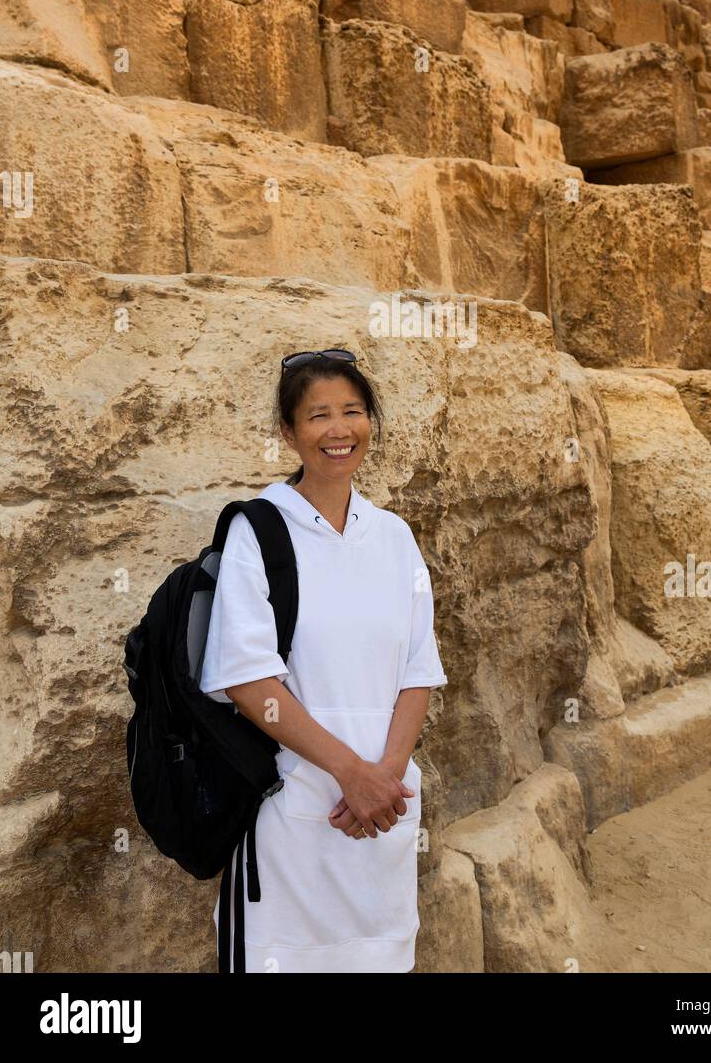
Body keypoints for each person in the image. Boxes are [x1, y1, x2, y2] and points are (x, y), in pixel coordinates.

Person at [199, 348, 448, 973]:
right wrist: (351, 775)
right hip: (294, 816)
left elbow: (419, 670)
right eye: (317, 416)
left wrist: (384, 778)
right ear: (289, 432)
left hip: (381, 818)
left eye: (353, 412)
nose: (339, 430)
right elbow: (246, 680)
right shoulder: (257, 532)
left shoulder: (394, 537)